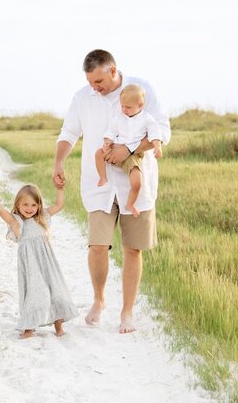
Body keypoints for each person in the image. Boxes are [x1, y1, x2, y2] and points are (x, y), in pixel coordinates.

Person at [53, 49, 171, 334]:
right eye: (91, 82)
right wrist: (58, 161)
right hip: (99, 183)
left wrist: (128, 149)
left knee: (132, 249)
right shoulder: (82, 97)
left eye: (99, 82)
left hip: (136, 182)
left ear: (113, 71)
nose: (95, 87)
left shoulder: (141, 90)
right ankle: (99, 299)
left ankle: (127, 312)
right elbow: (69, 133)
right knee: (97, 246)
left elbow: (162, 132)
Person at [0, 183, 78, 339]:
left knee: (55, 291)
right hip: (31, 267)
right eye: (25, 204)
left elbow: (59, 204)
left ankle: (58, 326)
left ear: (39, 205)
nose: (29, 208)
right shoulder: (17, 222)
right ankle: (28, 327)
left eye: (33, 205)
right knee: (35, 294)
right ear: (18, 204)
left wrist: (60, 189)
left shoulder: (42, 217)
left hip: (47, 264)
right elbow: (0, 210)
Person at [95, 83, 163, 217]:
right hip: (116, 148)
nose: (124, 110)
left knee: (137, 182)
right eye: (122, 106)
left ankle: (130, 204)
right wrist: (107, 142)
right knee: (98, 154)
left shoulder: (146, 119)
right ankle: (103, 177)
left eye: (128, 107)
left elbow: (155, 133)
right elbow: (111, 130)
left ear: (140, 105)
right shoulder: (119, 117)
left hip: (132, 155)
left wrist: (157, 146)